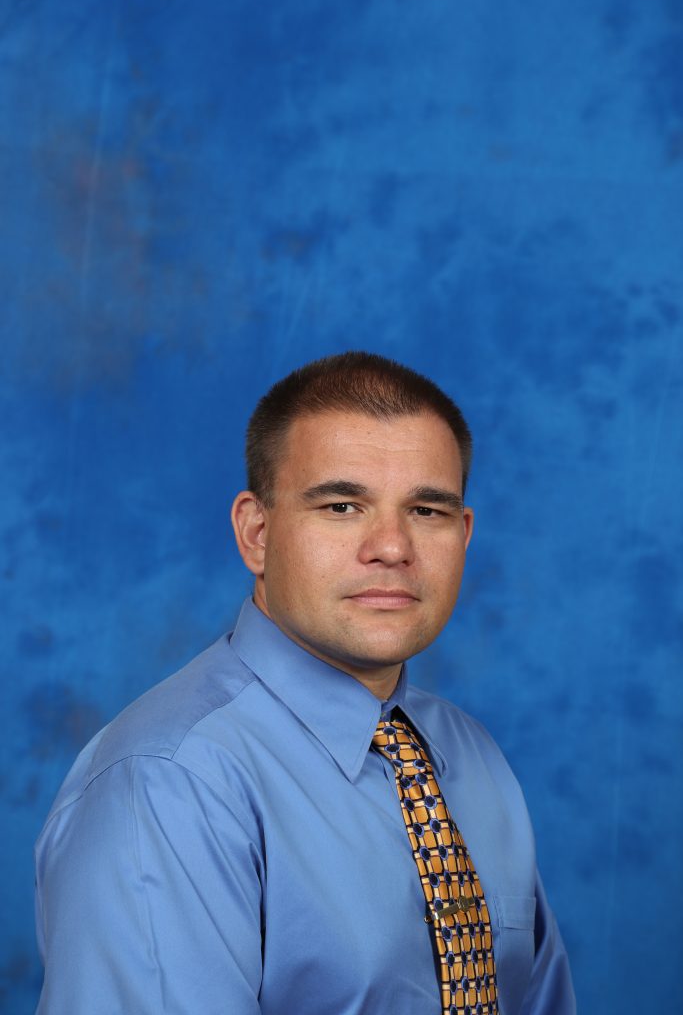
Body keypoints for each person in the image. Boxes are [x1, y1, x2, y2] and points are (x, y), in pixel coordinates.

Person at [34, 352, 575, 1014]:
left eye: (426, 511)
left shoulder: (472, 757)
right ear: (256, 534)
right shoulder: (168, 784)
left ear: (463, 535)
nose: (392, 547)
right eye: (342, 506)